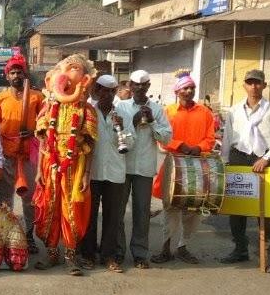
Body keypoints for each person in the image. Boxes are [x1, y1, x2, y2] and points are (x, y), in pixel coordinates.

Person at [33, 55, 98, 276]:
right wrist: (39, 171)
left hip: (76, 165)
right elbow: (42, 140)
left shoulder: (86, 110)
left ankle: (71, 256)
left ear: (85, 79)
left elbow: (90, 143)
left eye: (73, 69)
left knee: (72, 209)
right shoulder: (48, 108)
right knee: (50, 206)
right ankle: (51, 252)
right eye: (62, 69)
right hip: (50, 165)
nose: (66, 74)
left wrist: (87, 173)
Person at [149, 69, 216, 265]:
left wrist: (199, 147)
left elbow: (210, 138)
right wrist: (180, 145)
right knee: (171, 210)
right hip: (173, 165)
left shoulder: (205, 112)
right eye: (185, 88)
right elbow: (161, 138)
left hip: (198, 166)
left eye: (192, 88)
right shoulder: (167, 111)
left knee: (194, 211)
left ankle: (183, 247)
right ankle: (165, 248)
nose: (189, 91)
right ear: (177, 91)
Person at [220, 69, 270, 271]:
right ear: (244, 85)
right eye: (250, 83)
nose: (254, 86)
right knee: (237, 208)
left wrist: (266, 158)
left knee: (266, 210)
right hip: (238, 157)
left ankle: (269, 255)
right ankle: (240, 249)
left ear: (264, 85)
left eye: (258, 83)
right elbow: (227, 137)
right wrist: (225, 161)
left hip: (262, 159)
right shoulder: (235, 110)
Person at [115, 69, 173, 269]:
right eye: (135, 84)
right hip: (121, 167)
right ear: (129, 86)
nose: (139, 88)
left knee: (141, 213)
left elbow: (166, 138)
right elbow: (115, 136)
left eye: (144, 84)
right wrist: (131, 124)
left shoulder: (157, 109)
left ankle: (140, 254)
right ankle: (118, 251)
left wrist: (152, 121)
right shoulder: (120, 106)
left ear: (149, 86)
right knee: (118, 212)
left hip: (144, 168)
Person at [80, 75, 133, 273]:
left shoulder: (122, 113)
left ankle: (109, 256)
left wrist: (122, 129)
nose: (108, 95)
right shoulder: (88, 111)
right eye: (104, 90)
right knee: (90, 216)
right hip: (91, 173)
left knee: (113, 218)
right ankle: (88, 254)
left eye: (112, 91)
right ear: (96, 90)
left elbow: (131, 143)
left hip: (115, 173)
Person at [0, 54, 44, 254]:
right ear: (7, 76)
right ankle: (7, 234)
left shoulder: (36, 97)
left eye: (19, 72)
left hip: (29, 154)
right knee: (5, 198)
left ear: (25, 74)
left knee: (29, 198)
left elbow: (44, 123)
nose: (16, 76)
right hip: (7, 154)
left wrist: (33, 132)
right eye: (12, 72)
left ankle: (29, 235)